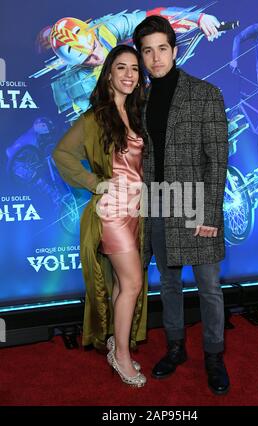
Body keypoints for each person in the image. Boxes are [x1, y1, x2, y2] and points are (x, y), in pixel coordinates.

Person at [133, 16, 230, 395]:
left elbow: (217, 159)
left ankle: (214, 354)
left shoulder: (206, 93)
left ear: (174, 50)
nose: (155, 58)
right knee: (169, 285)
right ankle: (175, 347)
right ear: (141, 56)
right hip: (158, 203)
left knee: (209, 288)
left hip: (196, 204)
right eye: (147, 51)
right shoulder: (141, 98)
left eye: (161, 49)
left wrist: (209, 212)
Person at [52, 45, 147, 388]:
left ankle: (117, 344)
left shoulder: (137, 114)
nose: (128, 75)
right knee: (133, 282)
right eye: (121, 68)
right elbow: (61, 153)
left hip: (138, 211)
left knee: (124, 284)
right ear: (108, 73)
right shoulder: (96, 118)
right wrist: (96, 183)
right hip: (113, 213)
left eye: (135, 69)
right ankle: (120, 355)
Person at [33, 7, 222, 118]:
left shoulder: (104, 28)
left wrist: (198, 18)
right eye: (88, 58)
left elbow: (152, 17)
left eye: (95, 46)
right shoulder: (78, 85)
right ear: (76, 64)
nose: (97, 56)